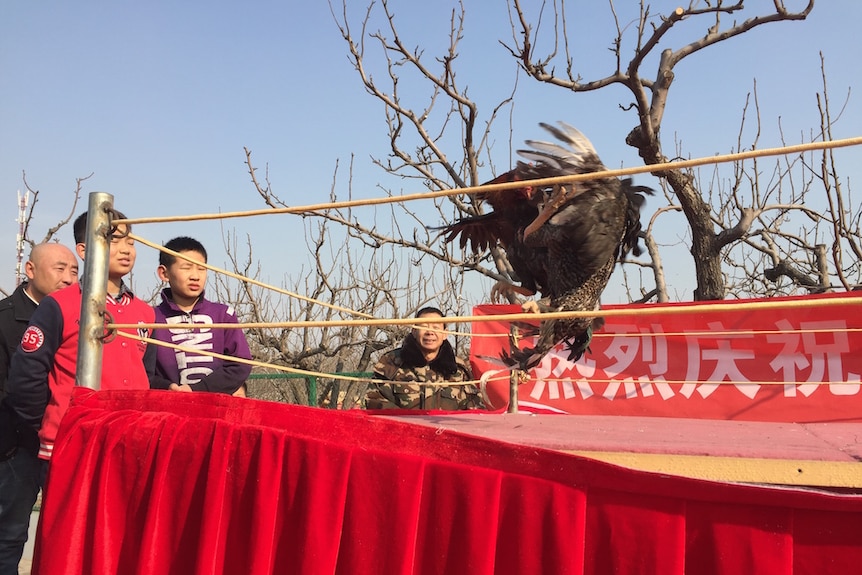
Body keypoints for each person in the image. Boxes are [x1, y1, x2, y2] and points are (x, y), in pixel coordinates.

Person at [2, 210, 157, 575]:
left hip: (128, 444)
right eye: (114, 240)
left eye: (131, 242)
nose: (126, 249)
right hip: (68, 445)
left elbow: (147, 376)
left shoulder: (144, 312)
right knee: (65, 541)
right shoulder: (60, 305)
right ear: (85, 250)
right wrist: (53, 422)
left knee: (118, 538)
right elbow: (26, 377)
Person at [0, 243, 77, 575]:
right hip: (17, 447)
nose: (67, 278)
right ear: (30, 270)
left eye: (73, 271)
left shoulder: (80, 318)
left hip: (65, 442)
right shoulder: (5, 320)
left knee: (66, 530)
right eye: (59, 269)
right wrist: (35, 422)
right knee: (11, 534)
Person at [150, 236, 252, 395]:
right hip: (172, 410)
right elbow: (144, 373)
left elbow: (240, 365)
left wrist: (197, 389)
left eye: (201, 268)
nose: (195, 276)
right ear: (164, 273)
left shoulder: (223, 315)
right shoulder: (151, 318)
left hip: (218, 410)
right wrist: (167, 387)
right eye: (186, 267)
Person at [366, 306, 484, 410]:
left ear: (445, 334)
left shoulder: (458, 369)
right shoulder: (392, 363)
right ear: (414, 331)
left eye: (436, 327)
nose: (430, 332)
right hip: (402, 432)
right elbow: (374, 399)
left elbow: (475, 408)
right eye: (424, 326)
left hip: (447, 433)